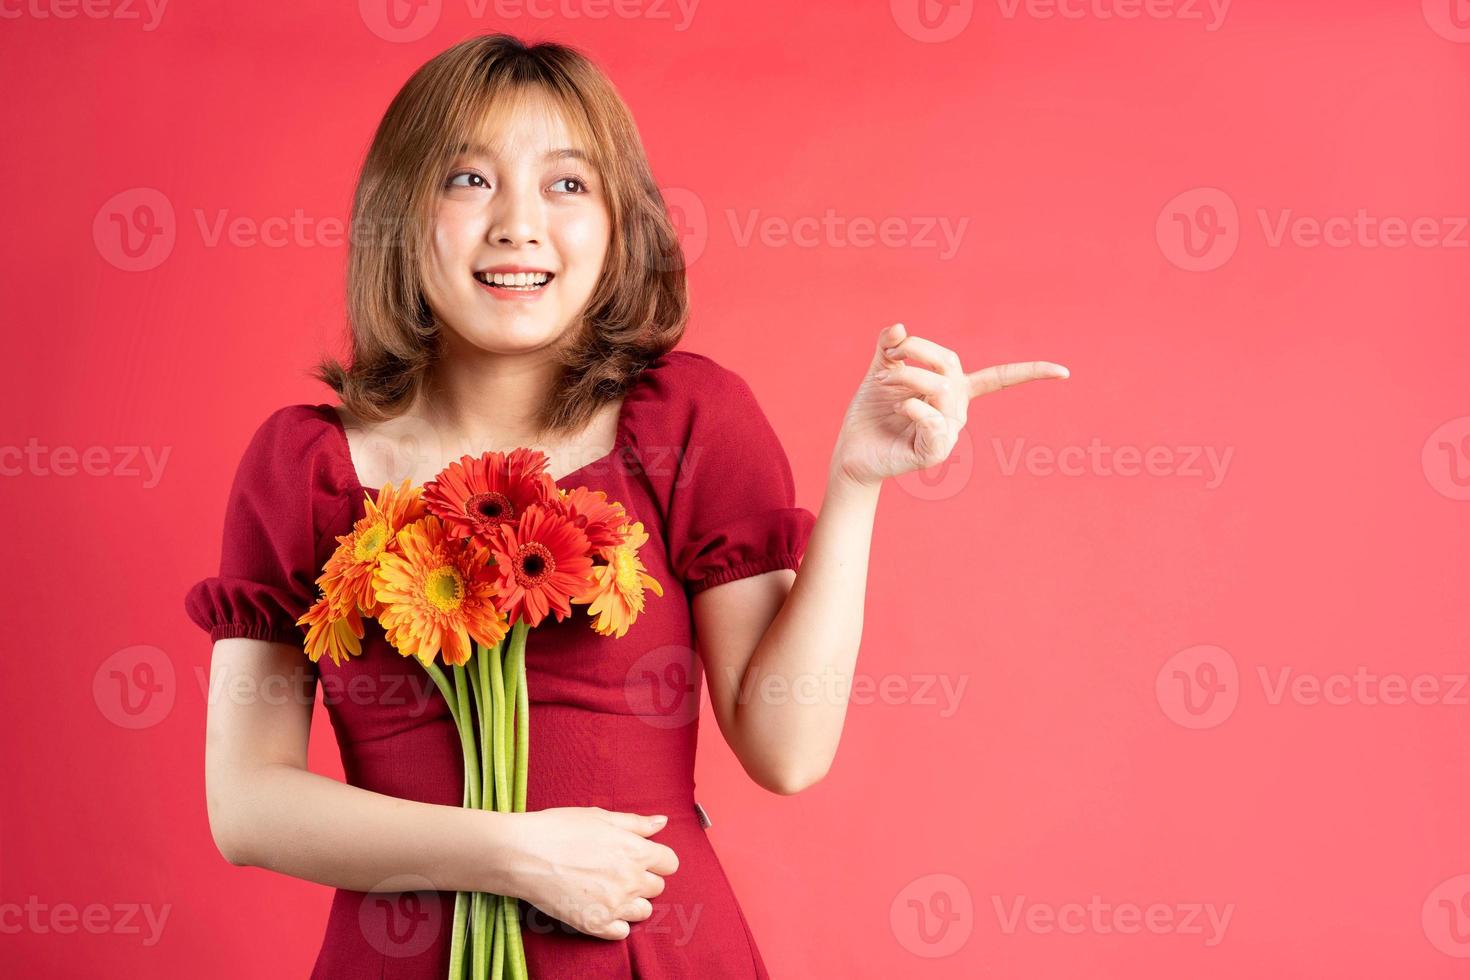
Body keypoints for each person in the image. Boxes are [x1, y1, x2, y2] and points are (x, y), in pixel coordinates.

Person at [183, 32, 1068, 978]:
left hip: (656, 954)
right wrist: (517, 856)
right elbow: (247, 805)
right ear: (399, 213)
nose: (519, 225)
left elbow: (787, 750)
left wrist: (855, 486)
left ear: (618, 224)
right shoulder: (303, 467)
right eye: (468, 180)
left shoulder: (689, 422)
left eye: (568, 185)